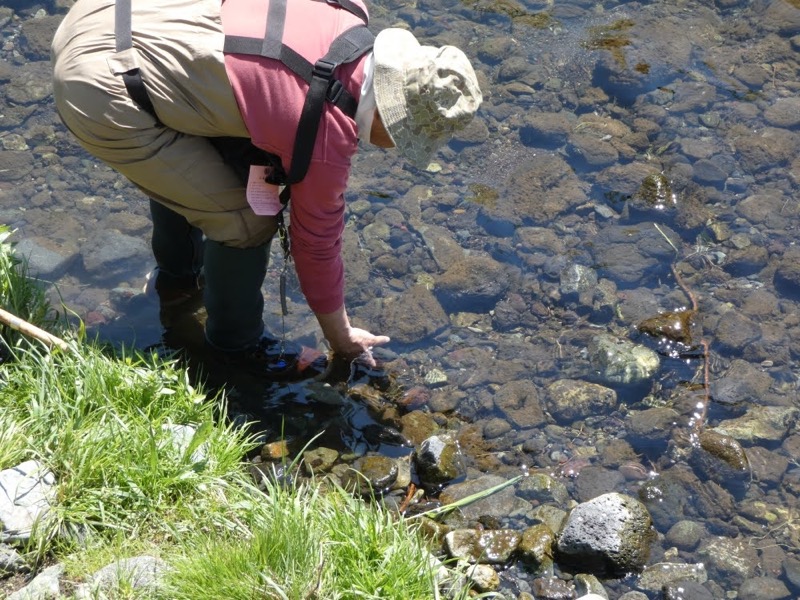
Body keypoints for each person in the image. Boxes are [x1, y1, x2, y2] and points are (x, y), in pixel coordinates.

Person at [50, 0, 482, 376]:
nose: (394, 149)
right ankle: (234, 348)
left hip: (115, 11)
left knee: (206, 168)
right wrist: (342, 337)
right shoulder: (324, 131)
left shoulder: (347, 10)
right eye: (405, 138)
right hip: (97, 84)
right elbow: (315, 245)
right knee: (247, 222)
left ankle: (177, 281)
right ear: (389, 115)